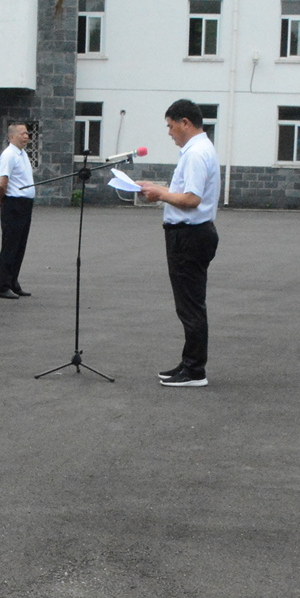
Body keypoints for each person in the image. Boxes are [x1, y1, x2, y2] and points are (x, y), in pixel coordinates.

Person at [136, 98, 220, 389]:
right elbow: (184, 192)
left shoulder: (196, 153)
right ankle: (189, 363)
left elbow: (191, 199)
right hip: (191, 233)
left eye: (171, 126)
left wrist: (160, 194)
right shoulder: (197, 150)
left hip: (190, 235)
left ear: (186, 123)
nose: (169, 132)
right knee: (188, 303)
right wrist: (160, 190)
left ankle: (196, 370)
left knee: (191, 305)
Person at [0, 121, 36, 299]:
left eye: (27, 133)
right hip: (13, 203)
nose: (26, 136)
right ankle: (4, 285)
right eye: (22, 133)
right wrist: (1, 198)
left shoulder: (23, 154)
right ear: (12, 137)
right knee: (10, 245)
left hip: (25, 204)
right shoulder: (9, 155)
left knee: (20, 245)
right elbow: (3, 182)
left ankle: (13, 281)